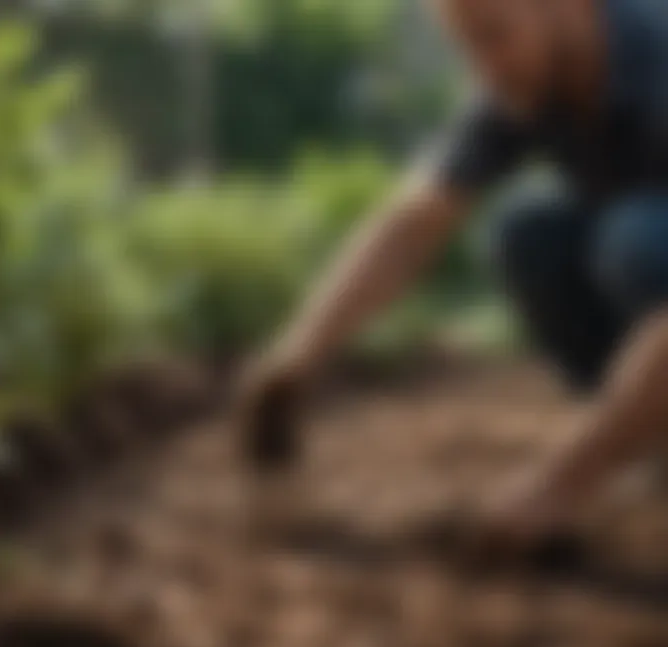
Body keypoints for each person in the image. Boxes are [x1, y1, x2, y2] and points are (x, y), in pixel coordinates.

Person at [240, 0, 668, 547]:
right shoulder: (529, 82)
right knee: (528, 234)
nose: (484, 67)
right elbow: (414, 225)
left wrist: (561, 484)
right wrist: (298, 354)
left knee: (634, 242)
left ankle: (626, 438)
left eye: (494, 35)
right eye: (466, 46)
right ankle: (648, 438)